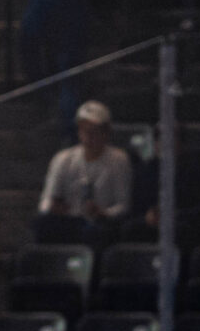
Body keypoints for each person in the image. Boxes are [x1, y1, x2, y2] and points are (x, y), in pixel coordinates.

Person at [34, 101, 132, 246]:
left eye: (94, 131)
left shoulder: (119, 160)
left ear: (105, 132)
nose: (88, 137)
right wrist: (52, 207)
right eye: (84, 130)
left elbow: (123, 205)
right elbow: (47, 199)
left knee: (97, 233)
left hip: (101, 225)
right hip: (69, 221)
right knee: (42, 224)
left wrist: (103, 213)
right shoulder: (63, 159)